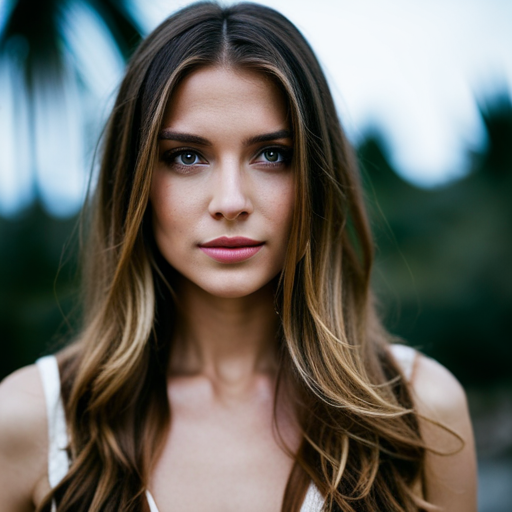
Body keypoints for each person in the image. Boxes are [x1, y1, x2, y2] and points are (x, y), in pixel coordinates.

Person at [0, 2, 477, 511]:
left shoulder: (418, 411)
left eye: (272, 154)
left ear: (316, 176)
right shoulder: (32, 422)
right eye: (187, 156)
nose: (230, 201)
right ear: (134, 181)